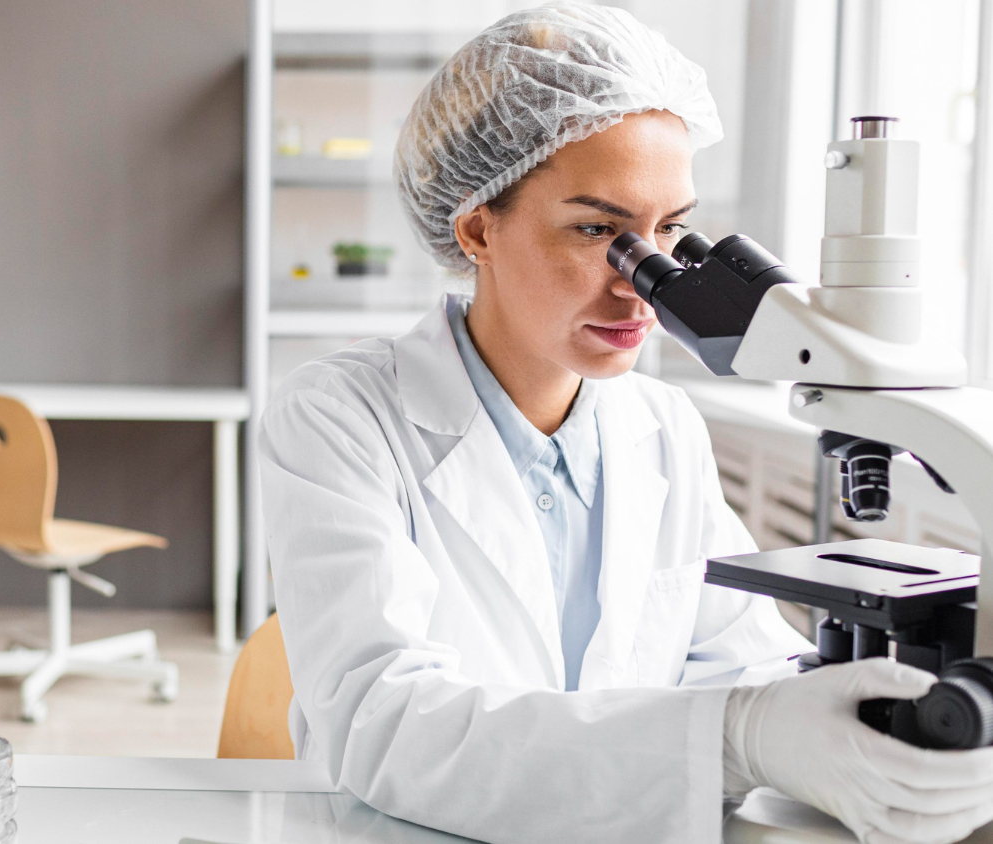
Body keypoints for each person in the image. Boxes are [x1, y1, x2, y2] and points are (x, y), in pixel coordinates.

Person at [258, 5, 993, 844]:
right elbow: (384, 726)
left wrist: (848, 731)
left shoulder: (661, 423)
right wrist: (736, 736)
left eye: (668, 232)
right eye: (598, 230)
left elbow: (739, 658)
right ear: (476, 228)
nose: (641, 282)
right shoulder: (340, 419)